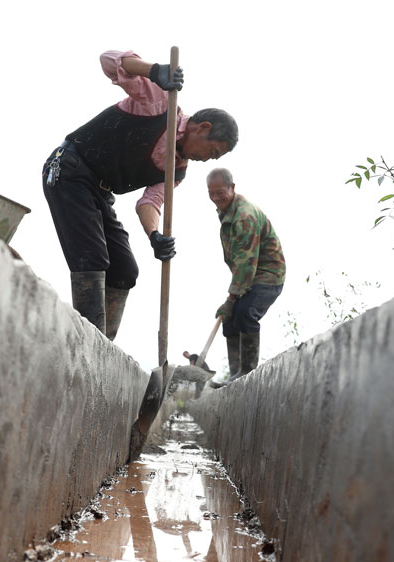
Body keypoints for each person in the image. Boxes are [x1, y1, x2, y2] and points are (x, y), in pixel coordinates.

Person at [43, 51, 238, 342]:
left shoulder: (177, 171)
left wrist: (155, 236)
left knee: (125, 269)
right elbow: (109, 61)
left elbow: (150, 203)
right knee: (92, 259)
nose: (207, 160)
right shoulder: (161, 104)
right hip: (69, 167)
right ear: (203, 128)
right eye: (212, 152)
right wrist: (154, 71)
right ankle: (84, 349)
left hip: (99, 191)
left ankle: (101, 346)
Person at [206, 168, 286, 381]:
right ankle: (235, 375)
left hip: (268, 275)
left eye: (220, 192)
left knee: (245, 312)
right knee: (229, 318)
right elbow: (241, 264)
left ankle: (247, 373)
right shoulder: (228, 211)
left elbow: (246, 265)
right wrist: (230, 302)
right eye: (210, 193)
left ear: (232, 188)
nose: (215, 198)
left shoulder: (244, 217)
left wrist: (231, 298)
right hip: (248, 275)